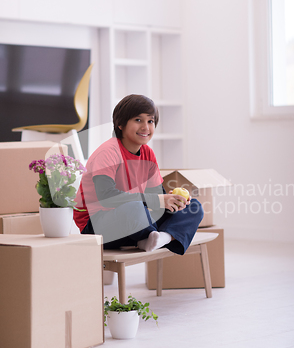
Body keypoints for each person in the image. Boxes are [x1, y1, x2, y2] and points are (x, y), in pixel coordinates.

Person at [74, 94, 204, 254]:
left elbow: (156, 198)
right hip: (98, 226)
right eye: (138, 120)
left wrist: (171, 201)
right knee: (135, 208)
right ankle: (154, 237)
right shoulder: (108, 152)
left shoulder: (147, 154)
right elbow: (107, 198)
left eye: (150, 121)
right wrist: (157, 200)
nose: (145, 127)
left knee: (193, 207)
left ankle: (160, 238)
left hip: (134, 223)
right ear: (120, 124)